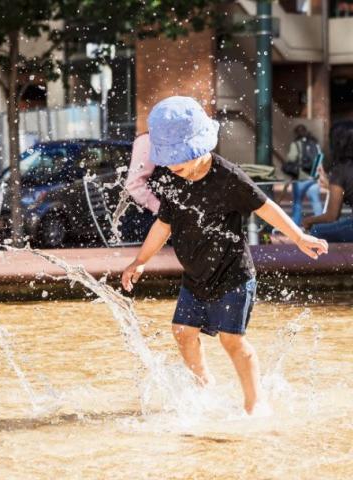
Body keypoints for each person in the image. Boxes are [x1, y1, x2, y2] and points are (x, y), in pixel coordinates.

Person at [121, 97, 328, 415]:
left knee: (232, 340)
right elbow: (163, 225)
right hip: (195, 277)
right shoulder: (174, 181)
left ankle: (254, 401)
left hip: (232, 276)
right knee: (181, 332)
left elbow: (266, 207)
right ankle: (203, 387)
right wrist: (141, 260)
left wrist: (298, 237)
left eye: (175, 161)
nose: (169, 168)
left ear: (194, 149)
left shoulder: (228, 177)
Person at [302, 125, 353, 241]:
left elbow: (332, 216)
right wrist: (331, 186)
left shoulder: (341, 169)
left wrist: (308, 221)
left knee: (316, 230)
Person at [285, 124, 323, 225]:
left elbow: (291, 158)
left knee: (297, 202)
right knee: (316, 201)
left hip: (300, 177)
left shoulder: (296, 144)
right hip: (313, 177)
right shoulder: (315, 143)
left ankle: (296, 225)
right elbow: (320, 159)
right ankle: (320, 224)